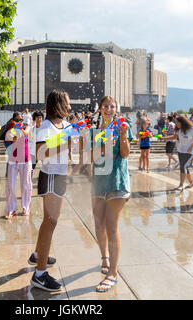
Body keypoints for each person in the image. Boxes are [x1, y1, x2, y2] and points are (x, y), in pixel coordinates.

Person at [86, 96, 132, 293]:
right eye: (105, 106)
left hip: (117, 181)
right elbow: (90, 156)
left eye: (112, 106)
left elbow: (126, 153)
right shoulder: (94, 131)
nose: (109, 109)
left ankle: (112, 273)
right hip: (98, 182)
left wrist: (122, 136)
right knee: (99, 224)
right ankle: (104, 256)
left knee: (111, 226)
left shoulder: (123, 126)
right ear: (100, 109)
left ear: (116, 109)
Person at [29, 89, 71, 292]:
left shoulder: (64, 125)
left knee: (49, 220)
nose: (70, 107)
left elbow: (66, 145)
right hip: (51, 175)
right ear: (58, 105)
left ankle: (38, 255)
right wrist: (65, 143)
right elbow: (40, 153)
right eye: (67, 103)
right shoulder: (46, 126)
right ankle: (40, 274)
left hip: (60, 175)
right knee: (50, 221)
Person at [161, 116, 193, 192]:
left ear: (182, 122)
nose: (176, 124)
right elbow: (173, 137)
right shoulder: (179, 130)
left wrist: (191, 146)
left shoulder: (191, 129)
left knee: (183, 166)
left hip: (190, 152)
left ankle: (181, 185)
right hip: (180, 151)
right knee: (184, 167)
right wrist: (162, 138)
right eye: (176, 122)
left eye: (177, 122)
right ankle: (191, 183)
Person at [4, 117, 32, 219]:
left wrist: (20, 129)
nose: (19, 121)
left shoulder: (26, 127)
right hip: (13, 160)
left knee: (25, 185)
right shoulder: (11, 129)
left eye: (20, 119)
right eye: (17, 119)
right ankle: (11, 209)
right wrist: (14, 132)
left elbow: (26, 133)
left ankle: (26, 207)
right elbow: (10, 139)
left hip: (25, 160)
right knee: (11, 185)